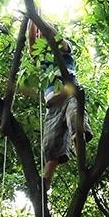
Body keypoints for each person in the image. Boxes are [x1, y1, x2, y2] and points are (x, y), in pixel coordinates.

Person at [27, 19, 93, 191]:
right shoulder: (40, 58)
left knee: (75, 118)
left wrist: (41, 21)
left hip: (69, 94)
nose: (41, 35)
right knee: (51, 142)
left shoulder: (64, 49)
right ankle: (47, 179)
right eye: (39, 33)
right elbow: (31, 41)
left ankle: (80, 152)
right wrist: (31, 18)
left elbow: (53, 34)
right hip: (53, 104)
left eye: (44, 32)